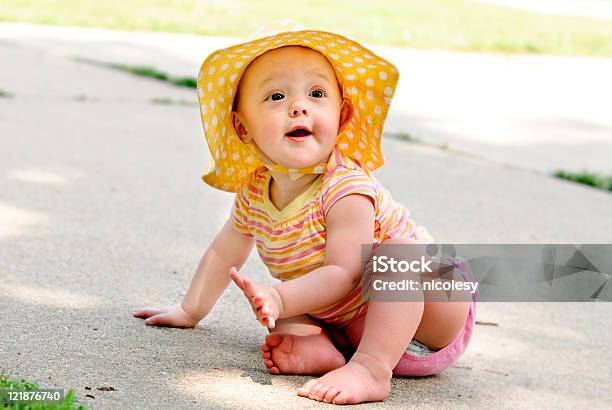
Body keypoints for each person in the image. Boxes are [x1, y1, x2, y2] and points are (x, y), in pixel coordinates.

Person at [133, 28, 475, 405]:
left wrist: (280, 296)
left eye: (316, 94)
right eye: (276, 96)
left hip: (428, 316)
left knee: (400, 254)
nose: (299, 106)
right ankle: (319, 349)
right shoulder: (254, 194)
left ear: (341, 115)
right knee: (277, 311)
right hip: (349, 325)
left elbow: (343, 274)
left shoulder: (346, 188)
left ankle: (370, 370)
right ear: (243, 128)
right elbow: (222, 254)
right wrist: (190, 309)